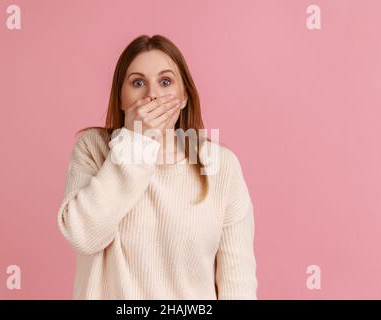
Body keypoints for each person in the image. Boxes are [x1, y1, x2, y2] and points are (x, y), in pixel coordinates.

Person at [57, 34, 258, 299]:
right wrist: (136, 141)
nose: (152, 95)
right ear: (120, 97)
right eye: (138, 83)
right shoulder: (93, 148)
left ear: (184, 96)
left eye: (165, 82)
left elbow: (237, 282)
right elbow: (84, 236)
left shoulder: (221, 166)